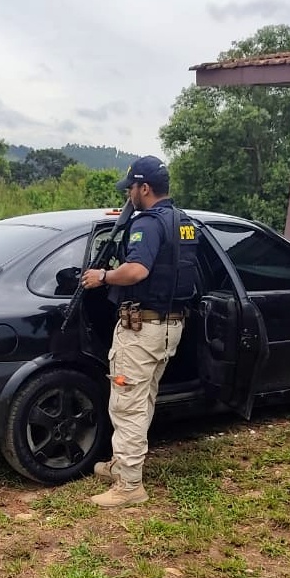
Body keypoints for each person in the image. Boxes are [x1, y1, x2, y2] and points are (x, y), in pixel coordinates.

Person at [81, 155, 199, 508]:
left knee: (127, 405)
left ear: (144, 187)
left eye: (131, 187)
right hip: (169, 325)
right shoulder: (185, 222)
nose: (129, 194)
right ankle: (122, 462)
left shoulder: (147, 224)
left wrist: (102, 276)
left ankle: (129, 486)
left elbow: (135, 271)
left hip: (143, 327)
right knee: (141, 399)